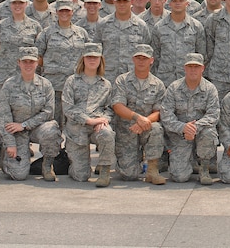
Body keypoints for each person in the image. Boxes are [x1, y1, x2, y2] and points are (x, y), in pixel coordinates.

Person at [0, 0, 43, 169]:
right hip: (3, 75)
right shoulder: (1, 26)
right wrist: (6, 65)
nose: (18, 6)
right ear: (9, 5)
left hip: (25, 76)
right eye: (15, 3)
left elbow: (38, 53)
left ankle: (22, 147)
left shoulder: (35, 27)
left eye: (21, 3)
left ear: (26, 4)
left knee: (23, 111)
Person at [0, 47, 62, 182]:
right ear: (18, 62)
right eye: (24, 61)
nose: (28, 65)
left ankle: (47, 165)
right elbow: (4, 117)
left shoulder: (45, 85)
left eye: (31, 61)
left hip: (36, 127)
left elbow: (48, 112)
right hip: (16, 131)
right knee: (19, 175)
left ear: (37, 63)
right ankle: (7, 156)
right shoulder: (9, 85)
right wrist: (10, 143)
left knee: (52, 129)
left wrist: (25, 125)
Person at [159, 53, 220, 185]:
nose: (193, 70)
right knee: (179, 177)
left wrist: (195, 127)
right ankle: (188, 161)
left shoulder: (210, 89)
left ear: (202, 68)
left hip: (201, 132)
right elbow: (166, 114)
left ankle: (204, 168)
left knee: (209, 132)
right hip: (180, 135)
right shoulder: (174, 88)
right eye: (190, 66)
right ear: (184, 68)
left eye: (196, 67)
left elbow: (213, 115)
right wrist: (183, 128)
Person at [111, 44, 167, 184]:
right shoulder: (122, 80)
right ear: (133, 59)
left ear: (151, 60)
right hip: (126, 130)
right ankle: (131, 161)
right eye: (138, 58)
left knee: (157, 129)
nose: (141, 61)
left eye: (145, 58)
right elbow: (117, 106)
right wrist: (137, 118)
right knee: (129, 175)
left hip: (146, 128)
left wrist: (144, 122)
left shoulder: (158, 84)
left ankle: (152, 171)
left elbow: (159, 111)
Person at [62, 43, 115, 186]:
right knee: (81, 176)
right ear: (83, 59)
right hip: (76, 129)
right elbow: (68, 108)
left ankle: (104, 172)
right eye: (89, 57)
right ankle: (77, 163)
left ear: (100, 60)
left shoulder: (106, 84)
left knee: (107, 134)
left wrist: (104, 120)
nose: (92, 60)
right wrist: (89, 121)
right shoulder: (72, 81)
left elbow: (110, 108)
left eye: (96, 57)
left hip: (97, 126)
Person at [35, 0, 91, 126]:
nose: (64, 13)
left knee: (74, 122)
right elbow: (38, 57)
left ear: (72, 12)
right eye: (61, 11)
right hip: (54, 83)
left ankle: (72, 146)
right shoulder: (46, 33)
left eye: (67, 11)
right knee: (53, 121)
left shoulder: (81, 33)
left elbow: (88, 56)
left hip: (76, 84)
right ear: (56, 12)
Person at [94, 0, 151, 84]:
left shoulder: (141, 26)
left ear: (131, 2)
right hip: (108, 78)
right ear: (114, 2)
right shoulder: (103, 24)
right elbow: (96, 52)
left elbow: (147, 53)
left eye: (125, 1)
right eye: (119, 1)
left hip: (132, 78)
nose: (122, 4)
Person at [150, 0, 206, 87]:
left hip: (189, 80)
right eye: (174, 0)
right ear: (169, 3)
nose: (177, 3)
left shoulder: (196, 27)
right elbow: (155, 56)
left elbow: (201, 54)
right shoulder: (159, 27)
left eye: (181, 0)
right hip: (164, 81)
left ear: (187, 3)